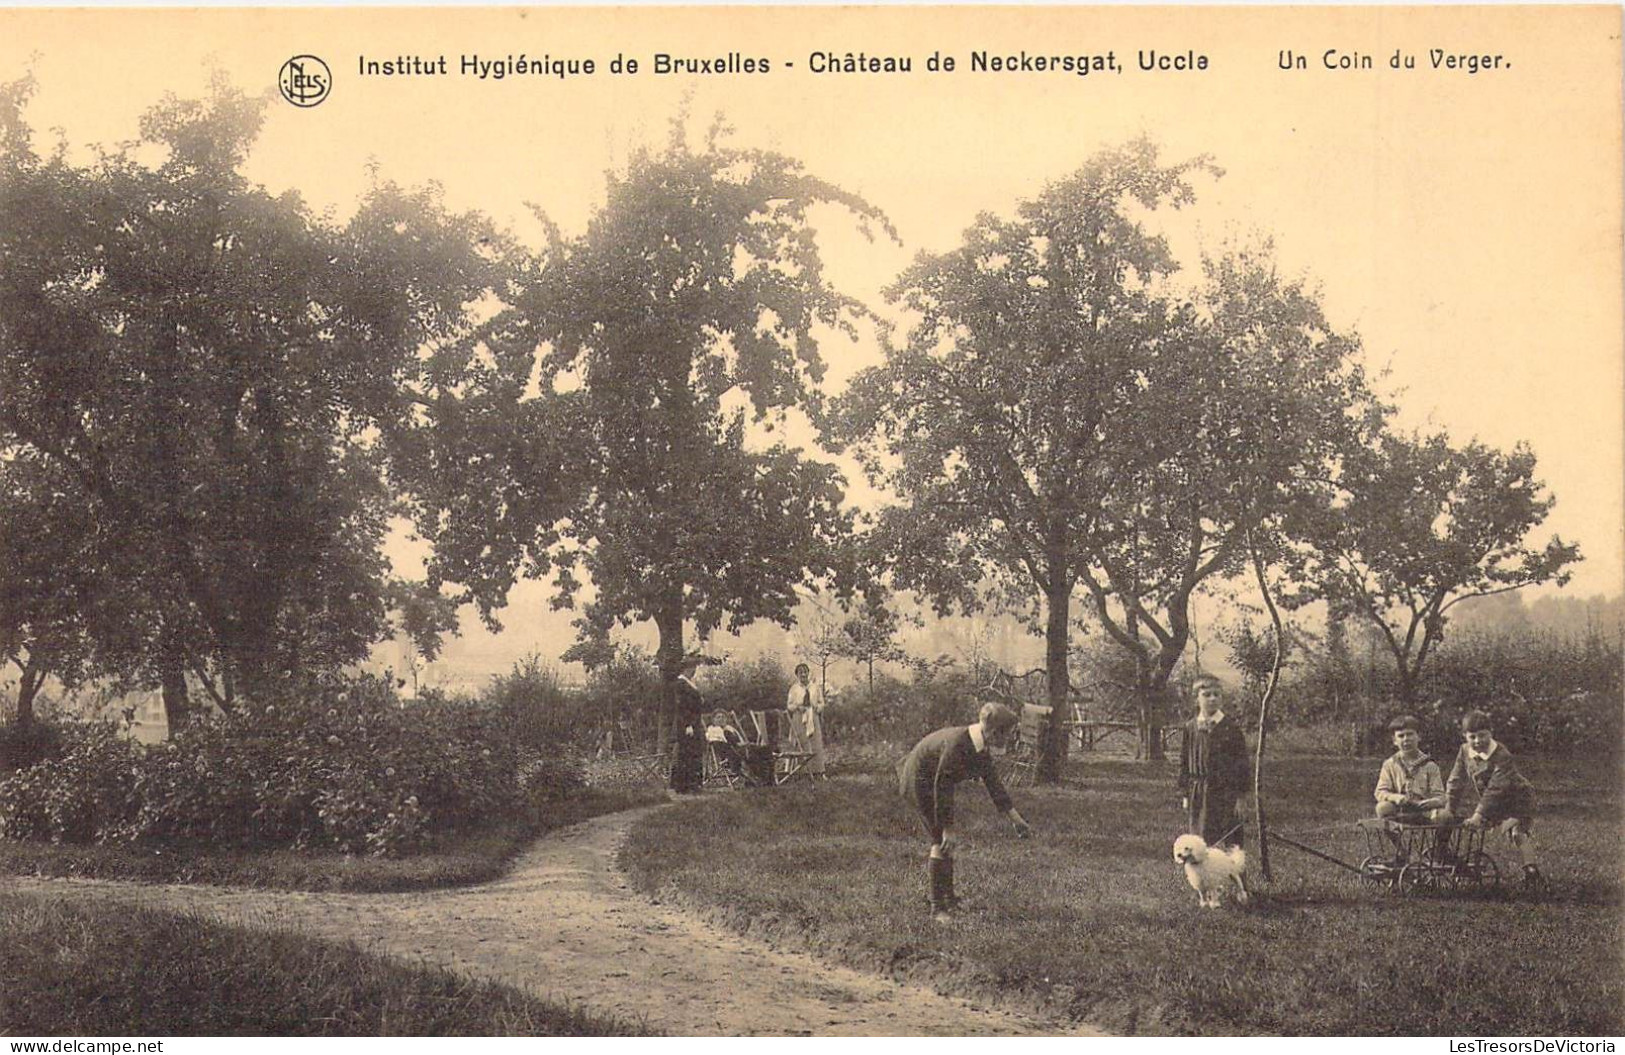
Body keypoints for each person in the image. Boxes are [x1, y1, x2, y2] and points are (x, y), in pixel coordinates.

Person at [897, 702, 1032, 923]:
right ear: (993, 731)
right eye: (1006, 735)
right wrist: (947, 828)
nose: (1008, 740)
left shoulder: (979, 743)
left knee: (946, 842)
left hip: (934, 783)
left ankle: (949, 898)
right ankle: (937, 907)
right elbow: (942, 786)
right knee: (939, 840)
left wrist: (1017, 820)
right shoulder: (959, 744)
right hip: (918, 782)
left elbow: (993, 784)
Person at [1446, 710, 1542, 885]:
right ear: (1464, 736)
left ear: (1491, 733)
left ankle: (1531, 871)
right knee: (1492, 829)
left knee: (1517, 832)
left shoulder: (1502, 755)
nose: (1477, 741)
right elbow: (1456, 780)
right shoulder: (1464, 751)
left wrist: (1478, 815)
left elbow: (1496, 788)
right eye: (1472, 737)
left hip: (1518, 799)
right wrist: (1449, 809)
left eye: (1482, 736)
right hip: (1497, 803)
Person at [1177, 674, 1250, 850]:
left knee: (1229, 841)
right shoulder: (1191, 728)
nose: (1212, 699)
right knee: (1201, 842)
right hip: (1199, 792)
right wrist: (1186, 793)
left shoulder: (1230, 728)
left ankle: (1232, 876)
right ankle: (1205, 877)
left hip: (1225, 792)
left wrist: (1240, 797)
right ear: (1197, 699)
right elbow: (1184, 761)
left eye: (1216, 695)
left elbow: (1242, 764)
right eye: (1207, 695)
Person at [1374, 714, 1448, 822]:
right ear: (1394, 740)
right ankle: (1395, 839)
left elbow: (1441, 797)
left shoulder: (1429, 765)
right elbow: (1380, 792)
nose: (1406, 739)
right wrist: (1396, 798)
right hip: (1399, 810)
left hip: (1425, 812)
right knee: (1382, 807)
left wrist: (1431, 802)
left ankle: (1441, 840)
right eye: (1401, 736)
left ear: (1419, 736)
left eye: (1410, 734)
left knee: (1445, 815)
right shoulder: (1390, 764)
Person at [667, 654, 708, 796]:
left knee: (694, 753)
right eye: (692, 668)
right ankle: (684, 785)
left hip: (694, 723)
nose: (694, 671)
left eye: (694, 668)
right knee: (686, 753)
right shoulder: (681, 684)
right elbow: (682, 707)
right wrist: (688, 724)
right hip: (687, 724)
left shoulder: (690, 683)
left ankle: (693, 784)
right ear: (685, 669)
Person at [785, 662, 828, 778]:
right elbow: (789, 705)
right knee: (800, 742)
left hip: (812, 717)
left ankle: (819, 771)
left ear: (808, 673)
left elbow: (821, 703)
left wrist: (817, 708)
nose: (803, 675)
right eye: (800, 673)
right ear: (797, 675)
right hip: (799, 717)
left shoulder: (815, 687)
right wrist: (797, 707)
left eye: (805, 672)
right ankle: (800, 772)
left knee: (815, 742)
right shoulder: (794, 689)